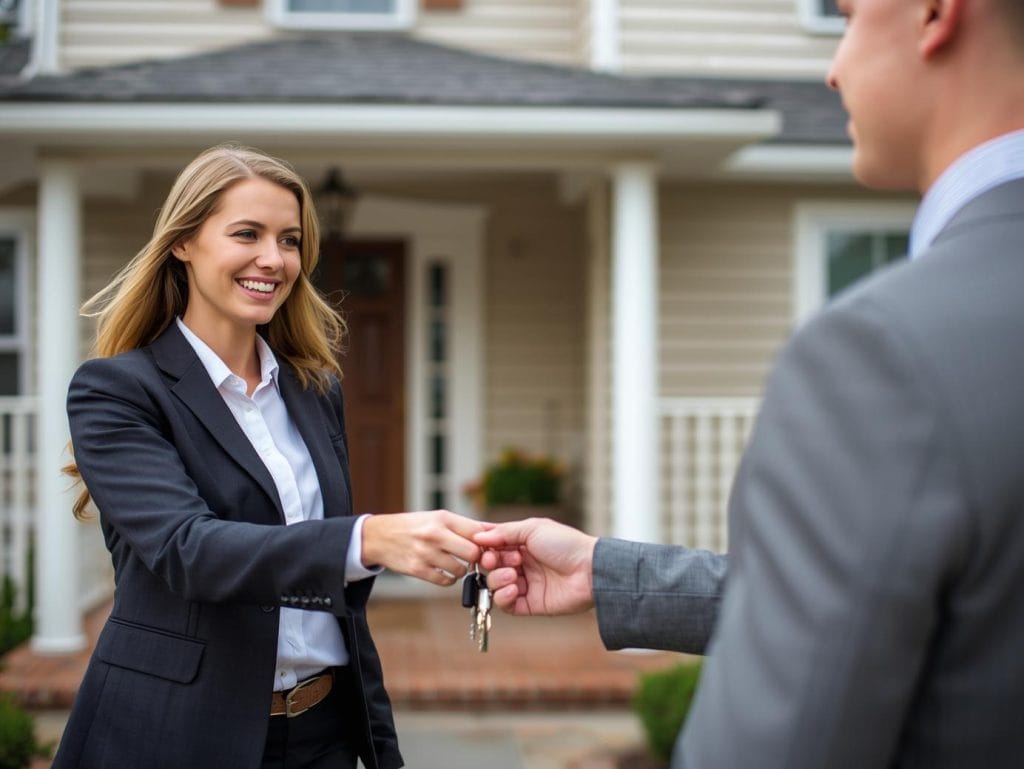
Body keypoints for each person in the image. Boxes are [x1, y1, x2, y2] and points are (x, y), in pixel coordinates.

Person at [477, 0, 1024, 766]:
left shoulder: (879, 353)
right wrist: (609, 571)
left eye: (850, 16)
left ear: (935, 13)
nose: (833, 67)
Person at [55, 144, 484, 769]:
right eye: (246, 234)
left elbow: (339, 608)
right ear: (183, 243)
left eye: (289, 240)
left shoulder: (315, 389)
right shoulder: (117, 389)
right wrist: (367, 541)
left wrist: (380, 748)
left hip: (324, 730)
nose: (273, 259)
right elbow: (188, 551)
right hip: (176, 732)